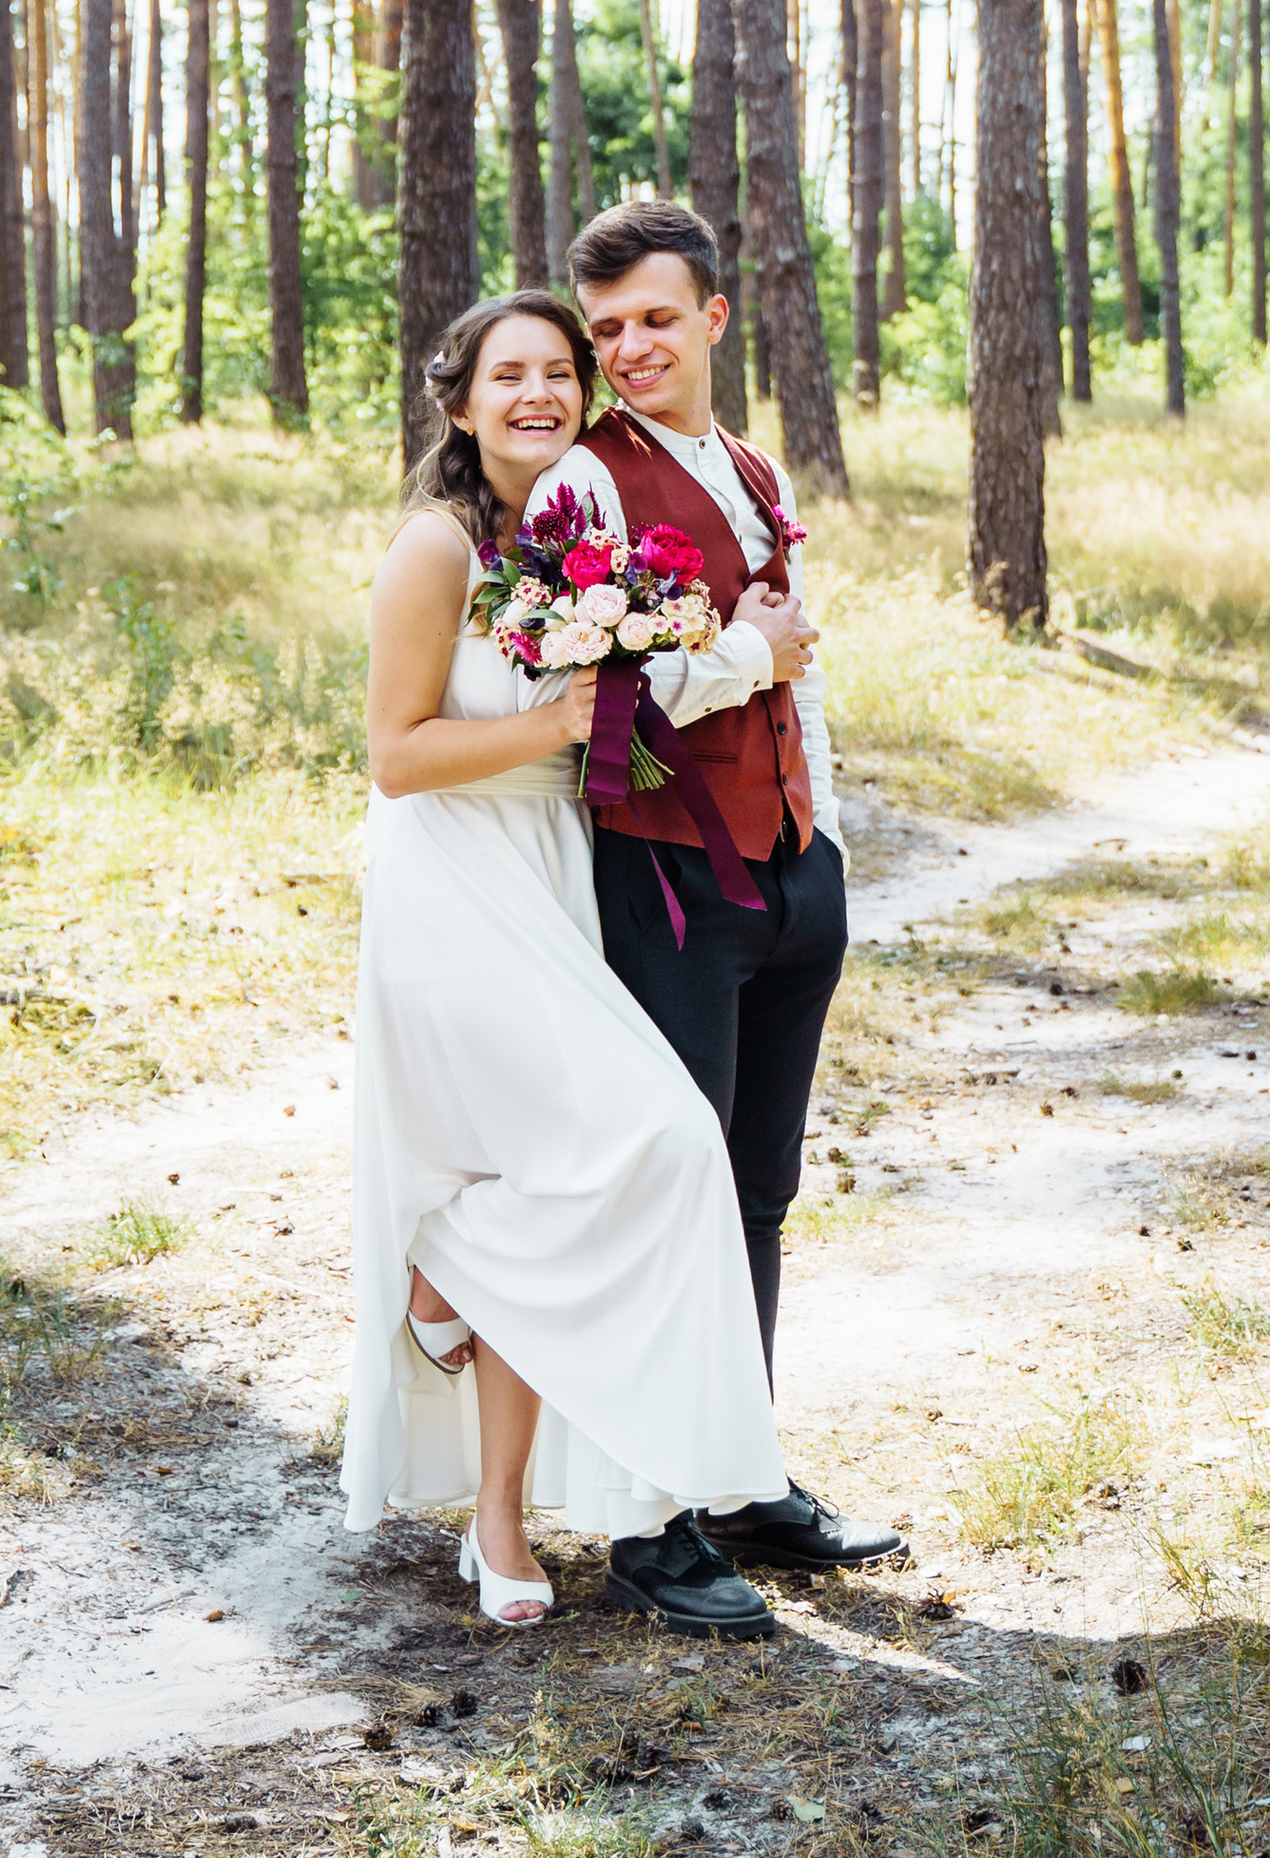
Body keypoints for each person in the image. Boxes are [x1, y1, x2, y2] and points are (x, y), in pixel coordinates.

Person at [343, 287, 794, 1638]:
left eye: (559, 373)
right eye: (509, 375)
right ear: (461, 402)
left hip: (557, 880)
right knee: (655, 1138)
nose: (539, 393)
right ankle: (451, 1262)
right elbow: (396, 754)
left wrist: (707, 660)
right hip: (453, 890)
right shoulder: (434, 550)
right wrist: (564, 721)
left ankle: (499, 1505)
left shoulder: (569, 542)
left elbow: (626, 710)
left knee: (558, 1177)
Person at [549, 196, 903, 1586]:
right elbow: (591, 704)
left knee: (758, 1194)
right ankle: (650, 1517)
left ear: (713, 315)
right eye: (608, 329)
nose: (629, 349)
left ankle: (743, 1479)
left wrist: (827, 847)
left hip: (787, 879)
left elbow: (799, 655)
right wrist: (749, 664)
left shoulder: (754, 472)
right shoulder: (585, 486)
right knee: (672, 1198)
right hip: (669, 885)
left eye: (653, 319)